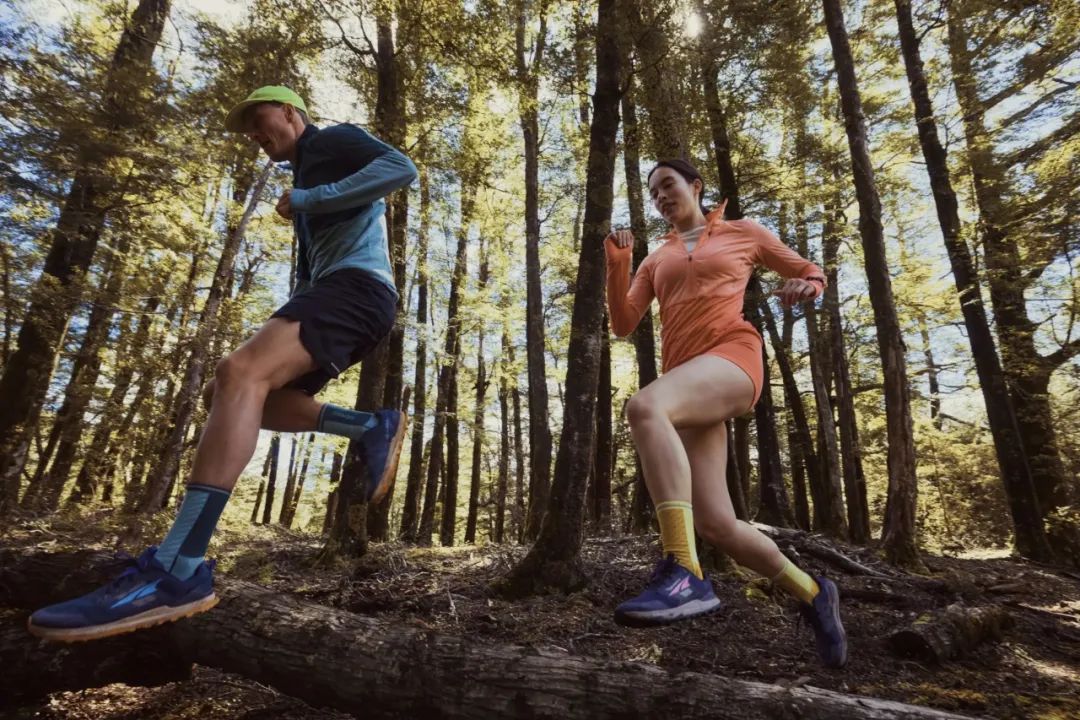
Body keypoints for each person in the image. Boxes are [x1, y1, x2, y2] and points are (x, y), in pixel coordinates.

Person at [28, 86, 417, 642]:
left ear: (290, 112)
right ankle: (368, 425)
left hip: (357, 290)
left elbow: (401, 168)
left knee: (238, 373)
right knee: (244, 396)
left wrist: (309, 199)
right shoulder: (306, 173)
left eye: (260, 121)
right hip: (337, 294)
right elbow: (315, 259)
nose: (256, 136)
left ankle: (177, 568)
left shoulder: (332, 141)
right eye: (249, 131)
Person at [605, 158, 847, 668]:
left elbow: (808, 270)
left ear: (695, 186)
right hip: (688, 382)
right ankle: (813, 593)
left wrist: (809, 286)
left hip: (733, 358)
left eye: (668, 185)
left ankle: (682, 568)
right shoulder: (657, 258)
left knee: (645, 407)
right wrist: (618, 264)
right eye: (653, 193)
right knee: (717, 524)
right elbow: (624, 324)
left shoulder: (744, 232)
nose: (661, 197)